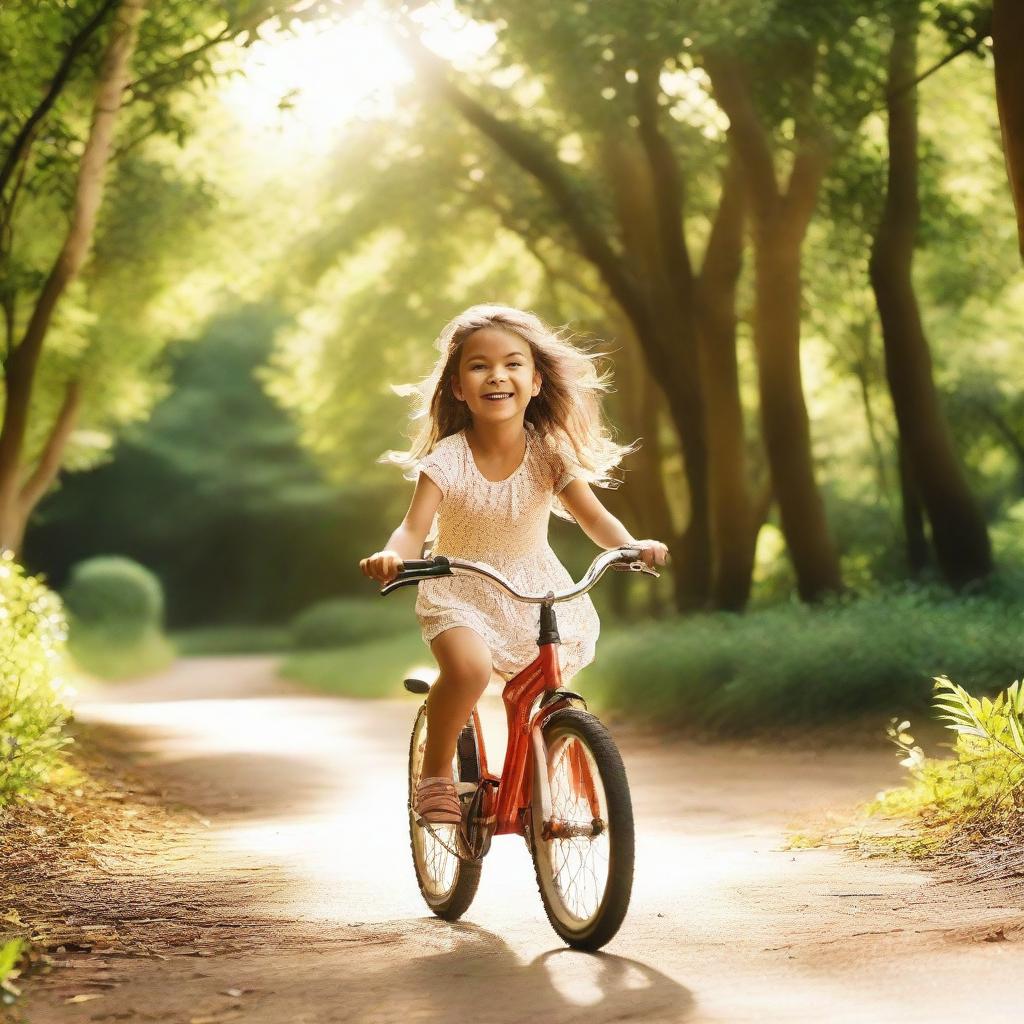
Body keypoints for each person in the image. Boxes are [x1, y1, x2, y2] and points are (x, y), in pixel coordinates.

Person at [359, 305, 669, 825]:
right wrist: (397, 557)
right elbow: (413, 527)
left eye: (512, 364)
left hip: (534, 585)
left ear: (535, 381)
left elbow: (594, 517)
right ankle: (435, 777)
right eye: (479, 366)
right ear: (458, 387)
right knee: (470, 670)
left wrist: (632, 546)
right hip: (459, 586)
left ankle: (543, 784)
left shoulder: (549, 454)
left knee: (545, 686)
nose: (496, 375)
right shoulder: (448, 459)